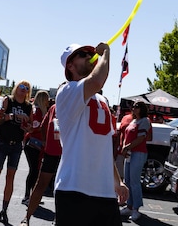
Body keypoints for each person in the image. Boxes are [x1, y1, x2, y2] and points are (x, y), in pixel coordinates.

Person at [54, 43, 129, 226]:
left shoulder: (102, 100)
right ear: (70, 66)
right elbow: (96, 81)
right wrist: (106, 54)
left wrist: (117, 181)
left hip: (104, 192)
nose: (90, 56)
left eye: (91, 53)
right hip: (74, 189)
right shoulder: (67, 91)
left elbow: (101, 148)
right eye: (82, 54)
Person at [0, 81, 32, 225]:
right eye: (22, 87)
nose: (24, 90)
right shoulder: (8, 100)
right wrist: (9, 116)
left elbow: (30, 127)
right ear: (17, 88)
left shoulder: (28, 107)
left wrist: (27, 125)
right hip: (2, 142)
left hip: (16, 145)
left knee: (10, 177)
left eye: (27, 88)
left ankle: (4, 209)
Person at [19, 103, 62, 226]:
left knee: (58, 187)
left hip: (63, 153)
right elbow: (43, 126)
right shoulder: (55, 107)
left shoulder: (74, 106)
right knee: (42, 184)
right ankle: (26, 218)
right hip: (54, 152)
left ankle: (28, 219)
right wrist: (45, 142)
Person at [120, 101, 152, 222]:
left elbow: (141, 138)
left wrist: (127, 146)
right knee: (127, 180)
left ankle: (136, 208)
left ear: (142, 109)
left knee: (134, 181)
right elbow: (126, 135)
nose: (133, 108)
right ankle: (129, 205)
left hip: (138, 153)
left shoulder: (144, 121)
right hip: (130, 153)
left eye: (136, 107)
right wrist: (125, 147)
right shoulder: (133, 121)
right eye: (133, 107)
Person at [22, 90, 50, 205]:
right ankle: (27, 196)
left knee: (36, 171)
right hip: (33, 143)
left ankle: (32, 196)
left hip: (36, 143)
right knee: (33, 170)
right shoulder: (37, 110)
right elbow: (35, 127)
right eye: (46, 99)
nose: (48, 102)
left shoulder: (41, 111)